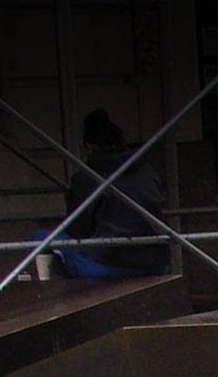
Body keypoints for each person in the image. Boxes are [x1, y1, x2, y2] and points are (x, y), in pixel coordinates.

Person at [35, 110, 170, 279]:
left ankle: (57, 300)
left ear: (90, 147)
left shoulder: (85, 177)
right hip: (155, 264)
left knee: (40, 237)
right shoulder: (147, 170)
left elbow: (77, 230)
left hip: (105, 264)